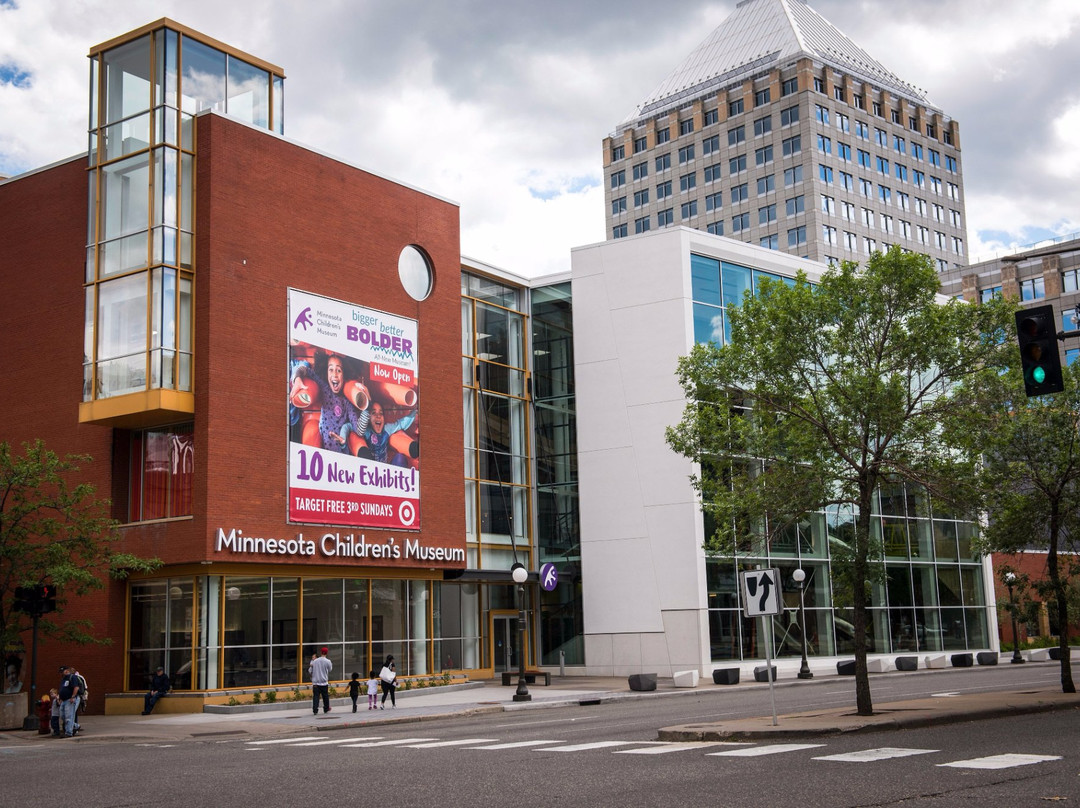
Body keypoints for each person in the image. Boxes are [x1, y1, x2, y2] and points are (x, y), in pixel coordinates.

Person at [290, 353, 369, 453]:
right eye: (331, 369)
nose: (334, 374)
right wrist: (297, 379)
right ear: (326, 373)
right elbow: (304, 369)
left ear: (344, 374)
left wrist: (366, 405)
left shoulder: (347, 403)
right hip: (324, 453)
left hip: (342, 455)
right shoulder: (325, 388)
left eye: (339, 370)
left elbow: (359, 431)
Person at [357, 402, 416, 466]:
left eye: (381, 413)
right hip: (369, 469)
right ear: (368, 418)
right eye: (374, 413)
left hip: (384, 469)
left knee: (400, 458)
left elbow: (401, 424)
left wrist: (415, 411)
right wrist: (366, 408)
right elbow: (356, 427)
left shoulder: (386, 429)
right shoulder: (366, 431)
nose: (378, 416)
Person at [57, 665, 81, 737]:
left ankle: (68, 732)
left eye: (62, 671)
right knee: (62, 716)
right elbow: (62, 689)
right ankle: (75, 725)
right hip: (63, 700)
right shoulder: (63, 679)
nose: (61, 673)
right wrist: (61, 698)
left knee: (69, 716)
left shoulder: (72, 677)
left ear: (67, 670)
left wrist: (73, 697)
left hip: (69, 700)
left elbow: (76, 687)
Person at [309, 646, 333, 715]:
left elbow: (310, 670)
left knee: (316, 697)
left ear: (321, 652)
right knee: (325, 696)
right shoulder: (328, 661)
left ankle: (315, 710)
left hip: (316, 682)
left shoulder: (315, 661)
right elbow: (330, 669)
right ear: (326, 653)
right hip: (324, 682)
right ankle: (326, 708)